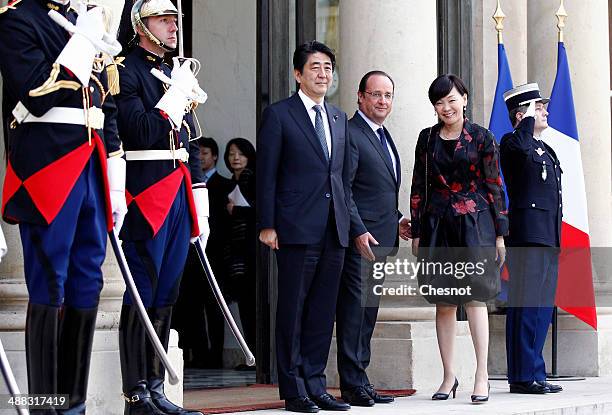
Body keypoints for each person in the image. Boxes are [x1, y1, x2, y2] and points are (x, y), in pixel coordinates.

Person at [0, 1, 126, 413]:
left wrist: (115, 172)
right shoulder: (19, 19)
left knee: (87, 281)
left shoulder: (79, 20)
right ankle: (43, 406)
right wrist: (81, 44)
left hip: (88, 164)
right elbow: (35, 92)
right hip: (46, 168)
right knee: (48, 282)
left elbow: (103, 105)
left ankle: (73, 405)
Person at [115, 0, 209, 413]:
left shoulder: (175, 71)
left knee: (167, 292)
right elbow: (139, 130)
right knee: (141, 291)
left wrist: (201, 194)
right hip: (144, 190)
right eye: (163, 19)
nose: (173, 27)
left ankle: (155, 387)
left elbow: (187, 138)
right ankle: (135, 395)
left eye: (174, 20)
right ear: (141, 24)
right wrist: (173, 97)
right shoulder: (125, 69)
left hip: (176, 189)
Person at [257, 40, 355, 413]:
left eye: (328, 67)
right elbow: (267, 174)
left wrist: (348, 223)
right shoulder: (280, 115)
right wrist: (268, 224)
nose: (323, 73)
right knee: (293, 309)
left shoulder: (337, 118)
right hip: (295, 228)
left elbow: (342, 179)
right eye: (315, 67)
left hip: (334, 230)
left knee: (321, 311)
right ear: (298, 74)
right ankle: (294, 389)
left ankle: (316, 384)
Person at [410, 74, 508, 403]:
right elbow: (418, 187)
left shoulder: (482, 138)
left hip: (475, 225)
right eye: (439, 102)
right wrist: (418, 230)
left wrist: (499, 234)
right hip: (438, 225)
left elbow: (495, 186)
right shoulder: (426, 139)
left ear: (464, 98)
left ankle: (482, 374)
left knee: (476, 299)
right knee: (444, 302)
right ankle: (448, 375)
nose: (446, 107)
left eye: (452, 99)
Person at [336, 70, 410, 407]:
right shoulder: (352, 133)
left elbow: (378, 190)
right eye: (376, 94)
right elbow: (346, 189)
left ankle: (360, 378)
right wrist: (357, 230)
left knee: (367, 314)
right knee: (354, 313)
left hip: (380, 239)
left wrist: (395, 223)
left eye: (388, 95)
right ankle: (352, 383)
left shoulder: (381, 135)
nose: (382, 101)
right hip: (360, 242)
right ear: (360, 97)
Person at [500, 83, 563, 395]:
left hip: (547, 236)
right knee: (525, 308)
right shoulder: (513, 142)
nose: (546, 111)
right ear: (522, 114)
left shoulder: (545, 149)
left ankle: (535, 372)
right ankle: (522, 376)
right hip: (527, 237)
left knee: (541, 309)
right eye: (540, 107)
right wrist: (526, 118)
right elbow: (519, 151)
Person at [172, 137, 230, 369]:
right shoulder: (186, 182)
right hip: (191, 254)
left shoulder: (225, 185)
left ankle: (214, 355)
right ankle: (197, 353)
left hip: (215, 253)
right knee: (190, 306)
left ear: (214, 156)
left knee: (215, 306)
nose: (200, 158)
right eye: (198, 154)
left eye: (204, 153)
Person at [224, 137, 257, 363]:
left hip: (252, 253)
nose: (236, 158)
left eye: (241, 154)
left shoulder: (252, 179)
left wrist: (236, 211)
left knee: (252, 306)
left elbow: (258, 213)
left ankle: (257, 356)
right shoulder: (229, 183)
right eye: (232, 154)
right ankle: (251, 355)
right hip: (235, 253)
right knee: (244, 307)